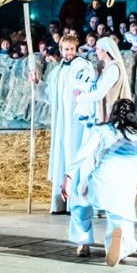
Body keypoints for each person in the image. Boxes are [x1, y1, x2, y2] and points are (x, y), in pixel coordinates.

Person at [63, 98, 137, 266]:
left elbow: (83, 154)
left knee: (79, 201)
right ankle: (118, 248)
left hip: (100, 183)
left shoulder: (102, 130)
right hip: (125, 189)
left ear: (112, 113)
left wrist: (69, 177)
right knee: (121, 224)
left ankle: (83, 241)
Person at [34, 32, 95, 214]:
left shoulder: (83, 67)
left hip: (75, 121)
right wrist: (37, 83)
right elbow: (49, 94)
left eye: (72, 49)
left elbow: (89, 86)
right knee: (61, 153)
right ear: (60, 50)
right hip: (61, 121)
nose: (69, 52)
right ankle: (60, 202)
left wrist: (82, 93)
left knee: (73, 153)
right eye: (66, 49)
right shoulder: (57, 70)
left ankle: (76, 200)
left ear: (76, 49)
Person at [77, 37, 131, 126]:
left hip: (113, 116)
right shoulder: (106, 68)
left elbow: (99, 93)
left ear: (105, 50)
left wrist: (80, 99)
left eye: (97, 49)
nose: (95, 52)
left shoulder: (113, 69)